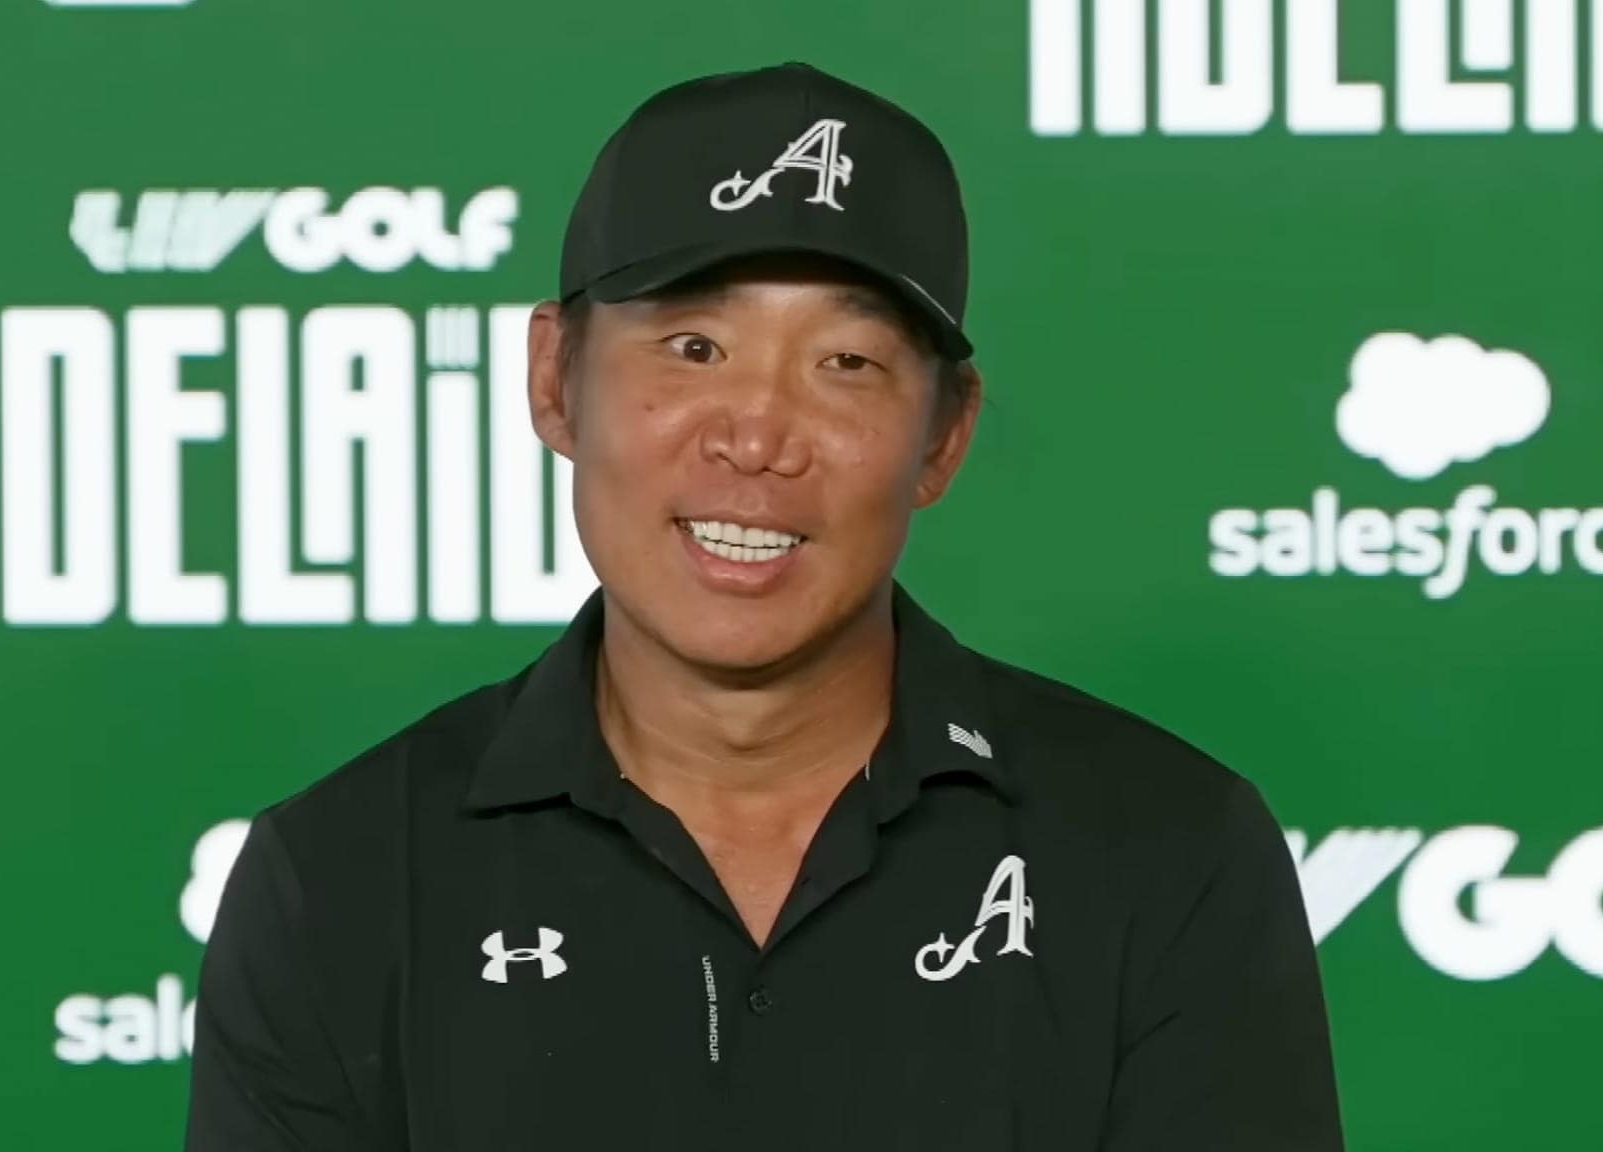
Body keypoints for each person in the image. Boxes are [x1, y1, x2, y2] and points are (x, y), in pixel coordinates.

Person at [186, 61, 1344, 1151]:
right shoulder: (341, 877)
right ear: (554, 381)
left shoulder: (1163, 852)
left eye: (845, 364)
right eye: (692, 345)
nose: (754, 435)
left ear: (943, 435)